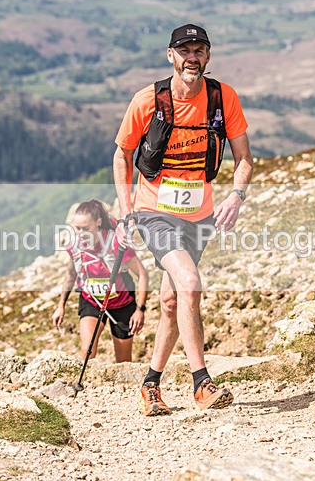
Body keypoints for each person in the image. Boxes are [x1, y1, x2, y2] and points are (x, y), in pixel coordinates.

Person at [113, 24, 253, 416]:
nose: (193, 57)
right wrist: (126, 211)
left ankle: (150, 386)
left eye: (200, 50)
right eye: (185, 50)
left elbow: (244, 158)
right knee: (190, 285)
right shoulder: (147, 100)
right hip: (153, 210)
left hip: (199, 214)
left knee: (172, 300)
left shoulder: (223, 98)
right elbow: (123, 156)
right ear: (170, 56)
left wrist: (236, 197)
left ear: (207, 57)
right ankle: (201, 383)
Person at [52, 199, 149, 363]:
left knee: (123, 362)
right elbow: (71, 274)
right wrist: (61, 305)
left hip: (122, 303)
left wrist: (140, 309)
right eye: (77, 229)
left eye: (86, 228)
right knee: (87, 352)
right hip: (92, 301)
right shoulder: (75, 246)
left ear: (98, 223)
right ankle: (84, 387)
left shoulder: (116, 243)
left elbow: (143, 275)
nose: (81, 234)